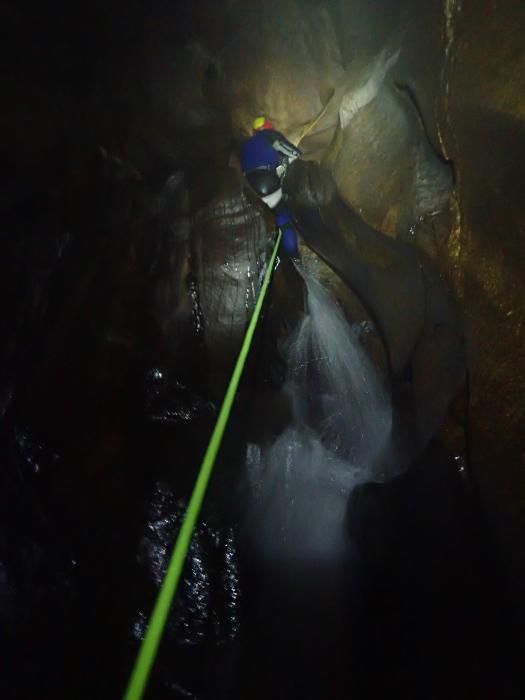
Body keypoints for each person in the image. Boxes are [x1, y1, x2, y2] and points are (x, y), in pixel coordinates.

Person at [240, 116, 301, 258]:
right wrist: (286, 164)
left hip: (249, 188)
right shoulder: (270, 135)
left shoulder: (245, 146)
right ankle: (294, 256)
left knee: (264, 222)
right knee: (282, 216)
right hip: (266, 180)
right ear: (269, 127)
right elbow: (295, 154)